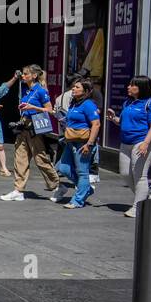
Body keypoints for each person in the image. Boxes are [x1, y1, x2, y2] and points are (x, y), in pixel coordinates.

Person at [0, 65, 61, 201]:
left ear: (34, 76)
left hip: (35, 128)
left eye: (26, 74)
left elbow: (50, 110)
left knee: (41, 160)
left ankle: (57, 185)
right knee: (20, 159)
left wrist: (33, 107)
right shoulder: (26, 90)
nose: (23, 75)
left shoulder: (40, 91)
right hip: (23, 127)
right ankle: (18, 190)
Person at [104, 76, 151, 218]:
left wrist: (146, 143)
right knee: (125, 173)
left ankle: (138, 207)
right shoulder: (128, 103)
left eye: (132, 85)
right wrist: (114, 119)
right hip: (126, 142)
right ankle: (145, 197)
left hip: (142, 141)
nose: (128, 87)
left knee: (140, 176)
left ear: (141, 88)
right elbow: (123, 122)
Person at [53, 78, 101, 209]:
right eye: (73, 87)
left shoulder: (89, 105)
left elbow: (96, 124)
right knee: (64, 169)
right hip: (70, 141)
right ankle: (85, 188)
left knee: (82, 172)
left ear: (85, 91)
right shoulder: (74, 103)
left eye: (77, 87)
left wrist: (89, 144)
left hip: (83, 143)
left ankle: (78, 200)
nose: (73, 89)